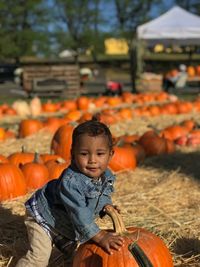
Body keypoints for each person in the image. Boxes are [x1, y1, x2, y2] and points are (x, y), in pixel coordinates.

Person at [16, 117, 124, 267]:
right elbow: (79, 213)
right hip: (44, 217)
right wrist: (100, 236)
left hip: (66, 224)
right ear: (73, 154)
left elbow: (102, 195)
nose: (92, 160)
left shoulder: (107, 176)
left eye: (99, 154)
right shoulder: (71, 182)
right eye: (84, 154)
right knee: (39, 258)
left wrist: (107, 206)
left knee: (70, 258)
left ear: (110, 154)